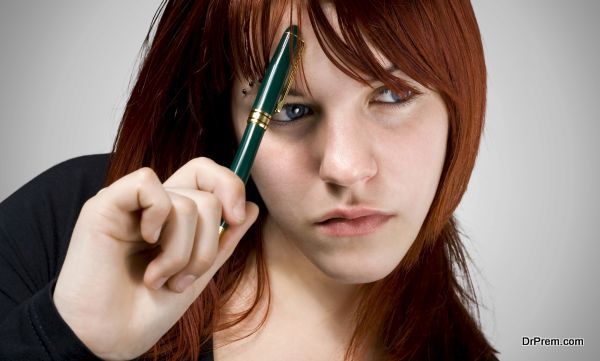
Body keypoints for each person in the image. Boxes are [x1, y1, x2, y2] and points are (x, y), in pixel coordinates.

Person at [0, 0, 498, 360]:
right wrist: (64, 337)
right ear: (229, 116)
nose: (344, 168)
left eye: (391, 95)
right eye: (289, 108)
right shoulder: (77, 227)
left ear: (459, 104)